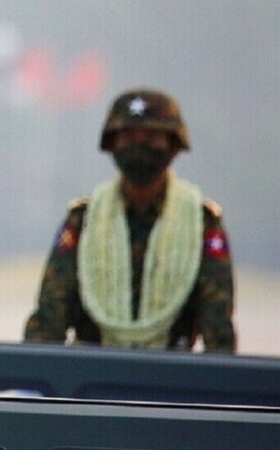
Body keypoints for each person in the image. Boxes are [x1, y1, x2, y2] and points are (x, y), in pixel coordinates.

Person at [24, 88, 236, 352]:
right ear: (113, 145)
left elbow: (218, 327)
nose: (139, 146)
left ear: (173, 146)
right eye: (129, 137)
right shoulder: (85, 221)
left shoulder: (200, 224)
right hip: (91, 370)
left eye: (151, 138)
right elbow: (49, 318)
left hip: (172, 371)